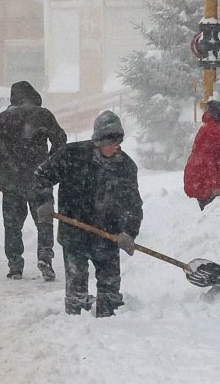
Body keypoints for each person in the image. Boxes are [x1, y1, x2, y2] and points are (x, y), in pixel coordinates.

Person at [34, 111, 143, 317]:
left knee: (110, 294)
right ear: (96, 140)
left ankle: (110, 326)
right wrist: (45, 201)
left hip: (108, 235)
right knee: (76, 289)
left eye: (116, 142)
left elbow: (133, 205)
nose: (111, 147)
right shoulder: (72, 155)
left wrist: (129, 233)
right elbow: (42, 175)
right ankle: (76, 324)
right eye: (105, 142)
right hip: (74, 231)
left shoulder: (126, 167)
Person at [0, 81, 67, 282]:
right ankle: (45, 257)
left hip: (12, 181)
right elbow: (60, 141)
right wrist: (48, 167)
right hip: (38, 178)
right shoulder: (43, 115)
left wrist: (3, 178)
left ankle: (15, 265)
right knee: (44, 220)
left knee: (12, 225)